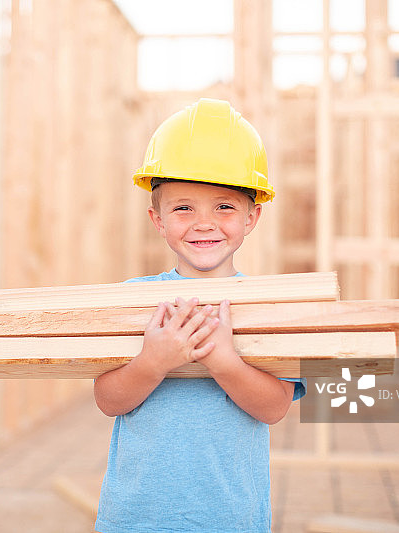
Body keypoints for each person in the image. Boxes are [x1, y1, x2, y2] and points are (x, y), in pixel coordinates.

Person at [93, 98, 306, 533]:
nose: (203, 223)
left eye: (224, 207)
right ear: (158, 219)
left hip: (229, 519)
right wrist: (154, 361)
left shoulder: (269, 306)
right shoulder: (134, 300)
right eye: (183, 208)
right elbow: (108, 401)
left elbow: (274, 408)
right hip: (137, 520)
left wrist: (223, 360)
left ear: (252, 217)